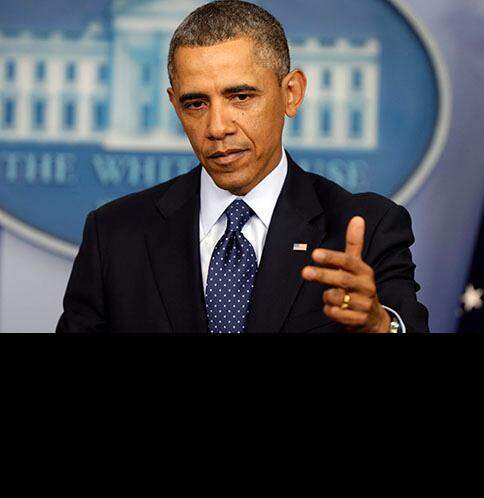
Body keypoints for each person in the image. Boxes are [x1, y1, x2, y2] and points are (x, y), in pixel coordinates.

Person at [56, 0, 429, 333]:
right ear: (174, 105)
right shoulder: (114, 235)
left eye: (240, 96)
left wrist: (380, 327)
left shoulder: (367, 227)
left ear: (291, 93)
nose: (217, 127)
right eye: (196, 104)